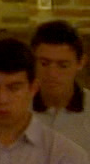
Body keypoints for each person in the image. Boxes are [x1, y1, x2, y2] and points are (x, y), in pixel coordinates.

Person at [30, 19, 90, 152]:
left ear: (80, 63)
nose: (52, 73)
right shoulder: (17, 108)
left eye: (63, 65)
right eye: (44, 63)